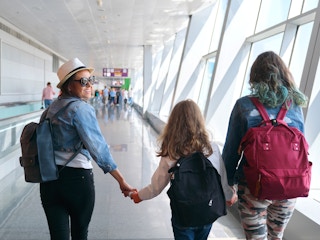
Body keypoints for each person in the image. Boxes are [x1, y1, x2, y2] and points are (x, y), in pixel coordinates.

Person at [39, 58, 134, 240]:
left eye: (91, 80)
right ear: (68, 86)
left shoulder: (50, 109)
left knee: (57, 236)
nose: (89, 85)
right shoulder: (81, 109)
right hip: (77, 180)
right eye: (83, 81)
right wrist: (121, 180)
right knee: (80, 234)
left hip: (49, 179)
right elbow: (99, 151)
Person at [222, 51, 308, 240]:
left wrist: (228, 184)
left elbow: (231, 150)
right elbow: (302, 147)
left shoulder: (244, 106)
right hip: (289, 186)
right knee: (276, 237)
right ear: (284, 75)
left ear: (255, 76)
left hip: (254, 186)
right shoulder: (294, 106)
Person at [129, 99, 237, 240]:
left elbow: (156, 186)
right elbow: (221, 179)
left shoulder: (172, 152)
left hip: (183, 215)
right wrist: (229, 196)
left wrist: (138, 196)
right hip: (207, 212)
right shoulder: (212, 149)